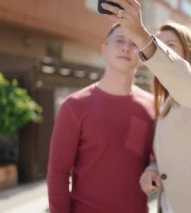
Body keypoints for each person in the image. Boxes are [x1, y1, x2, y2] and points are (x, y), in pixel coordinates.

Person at [101, 1, 191, 213]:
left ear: (187, 52)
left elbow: (184, 82)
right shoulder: (163, 108)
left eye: (168, 46)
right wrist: (153, 170)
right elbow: (174, 155)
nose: (161, 50)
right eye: (158, 45)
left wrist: (143, 36)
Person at [46, 23, 155, 213]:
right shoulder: (74, 106)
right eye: (119, 41)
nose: (126, 48)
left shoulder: (152, 106)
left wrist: (153, 167)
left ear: (142, 56)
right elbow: (58, 173)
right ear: (104, 49)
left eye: (134, 43)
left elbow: (160, 157)